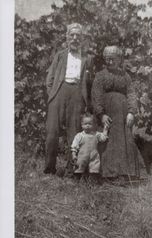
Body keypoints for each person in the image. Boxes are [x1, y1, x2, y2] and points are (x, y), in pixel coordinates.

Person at [44, 23, 94, 175]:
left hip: (77, 94)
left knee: (74, 133)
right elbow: (50, 78)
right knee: (52, 133)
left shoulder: (88, 59)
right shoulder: (60, 55)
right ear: (67, 37)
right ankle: (49, 169)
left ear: (82, 39)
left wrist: (86, 100)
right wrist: (52, 95)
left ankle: (72, 170)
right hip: (59, 93)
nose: (75, 38)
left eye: (78, 36)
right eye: (72, 35)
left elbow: (89, 82)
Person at [91, 45, 145, 179]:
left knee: (124, 140)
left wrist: (132, 112)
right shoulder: (100, 76)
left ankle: (125, 172)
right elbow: (96, 95)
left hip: (122, 115)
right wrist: (101, 114)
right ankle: (108, 173)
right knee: (107, 140)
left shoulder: (125, 76)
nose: (110, 62)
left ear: (119, 59)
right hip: (107, 114)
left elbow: (131, 94)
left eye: (113, 59)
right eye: (107, 59)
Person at [71, 113, 109, 180]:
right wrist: (74, 154)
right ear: (82, 125)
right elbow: (74, 146)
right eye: (85, 124)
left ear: (93, 125)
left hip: (93, 156)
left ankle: (92, 181)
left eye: (90, 124)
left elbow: (103, 138)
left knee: (94, 168)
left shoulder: (96, 134)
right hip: (82, 156)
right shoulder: (79, 135)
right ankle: (77, 179)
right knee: (79, 167)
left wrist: (105, 129)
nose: (88, 126)